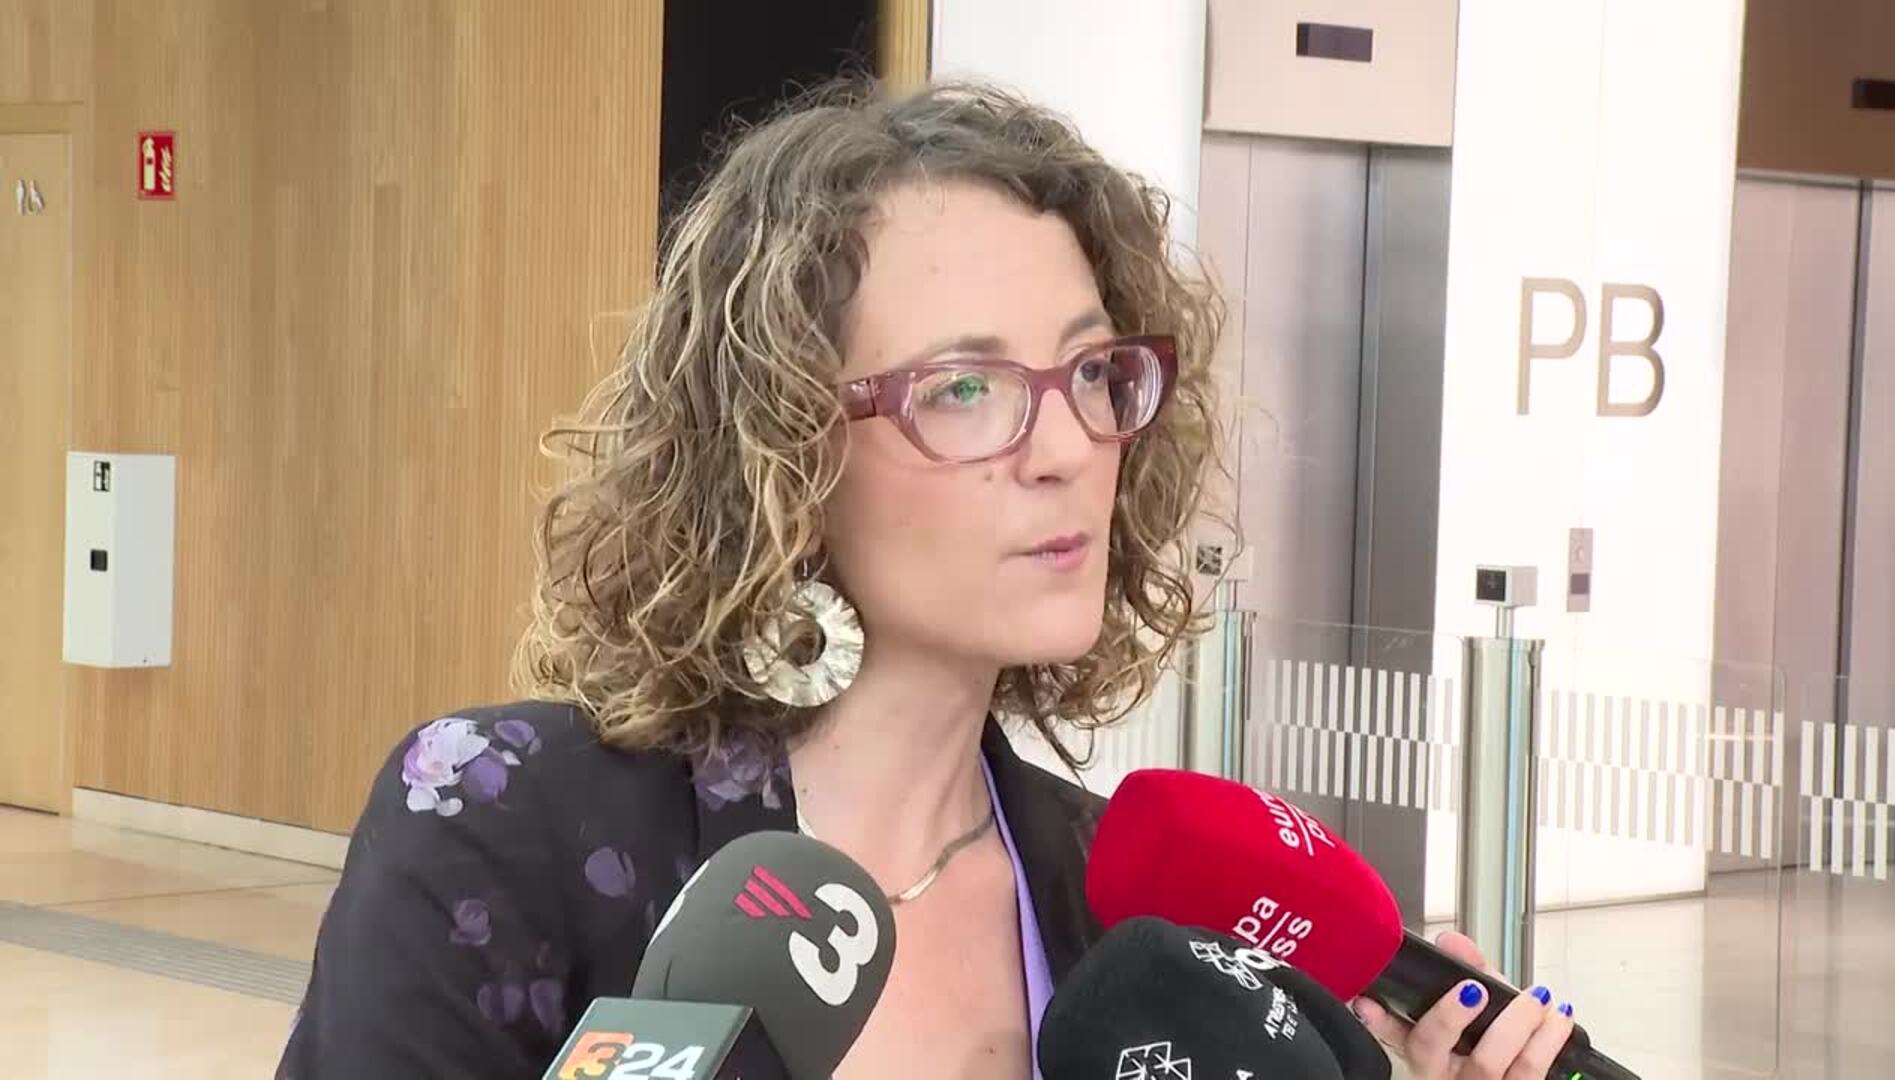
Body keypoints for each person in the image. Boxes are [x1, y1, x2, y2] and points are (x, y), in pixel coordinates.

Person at [278, 79, 1574, 1079]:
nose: (1066, 449)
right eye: (963, 388)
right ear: (782, 452)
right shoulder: (506, 828)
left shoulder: (1122, 908)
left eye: (1091, 373)